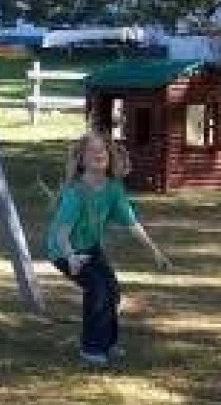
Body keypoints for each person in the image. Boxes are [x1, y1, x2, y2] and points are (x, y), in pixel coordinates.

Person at [45, 130, 171, 366]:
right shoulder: (76, 193)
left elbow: (131, 223)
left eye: (102, 150)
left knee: (111, 291)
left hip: (90, 249)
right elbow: (61, 233)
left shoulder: (113, 189)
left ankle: (108, 344)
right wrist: (71, 257)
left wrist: (155, 251)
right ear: (81, 159)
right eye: (91, 151)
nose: (98, 154)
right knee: (97, 290)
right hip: (64, 251)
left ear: (109, 156)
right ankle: (91, 349)